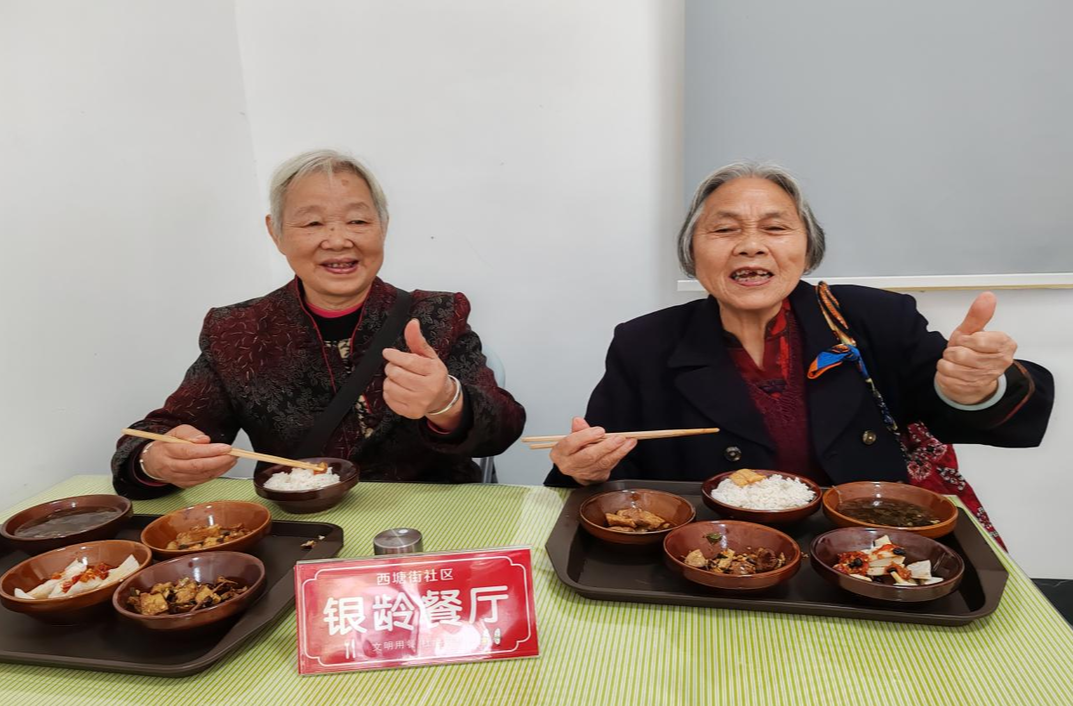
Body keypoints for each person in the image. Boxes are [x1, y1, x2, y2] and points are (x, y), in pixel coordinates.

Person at [545, 163, 1053, 487]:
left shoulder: (874, 318)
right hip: (716, 563)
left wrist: (975, 388)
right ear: (691, 254)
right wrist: (585, 469)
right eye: (724, 229)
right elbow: (609, 471)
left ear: (807, 250)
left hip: (866, 556)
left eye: (775, 227)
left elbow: (956, 406)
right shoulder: (644, 344)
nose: (749, 244)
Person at [113, 149, 525, 499]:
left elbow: (503, 427)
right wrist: (158, 459)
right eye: (312, 223)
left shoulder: (436, 315)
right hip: (303, 528)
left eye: (358, 221)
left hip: (430, 524)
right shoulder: (237, 331)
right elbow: (154, 434)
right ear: (276, 233)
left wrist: (446, 402)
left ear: (383, 226)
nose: (338, 239)